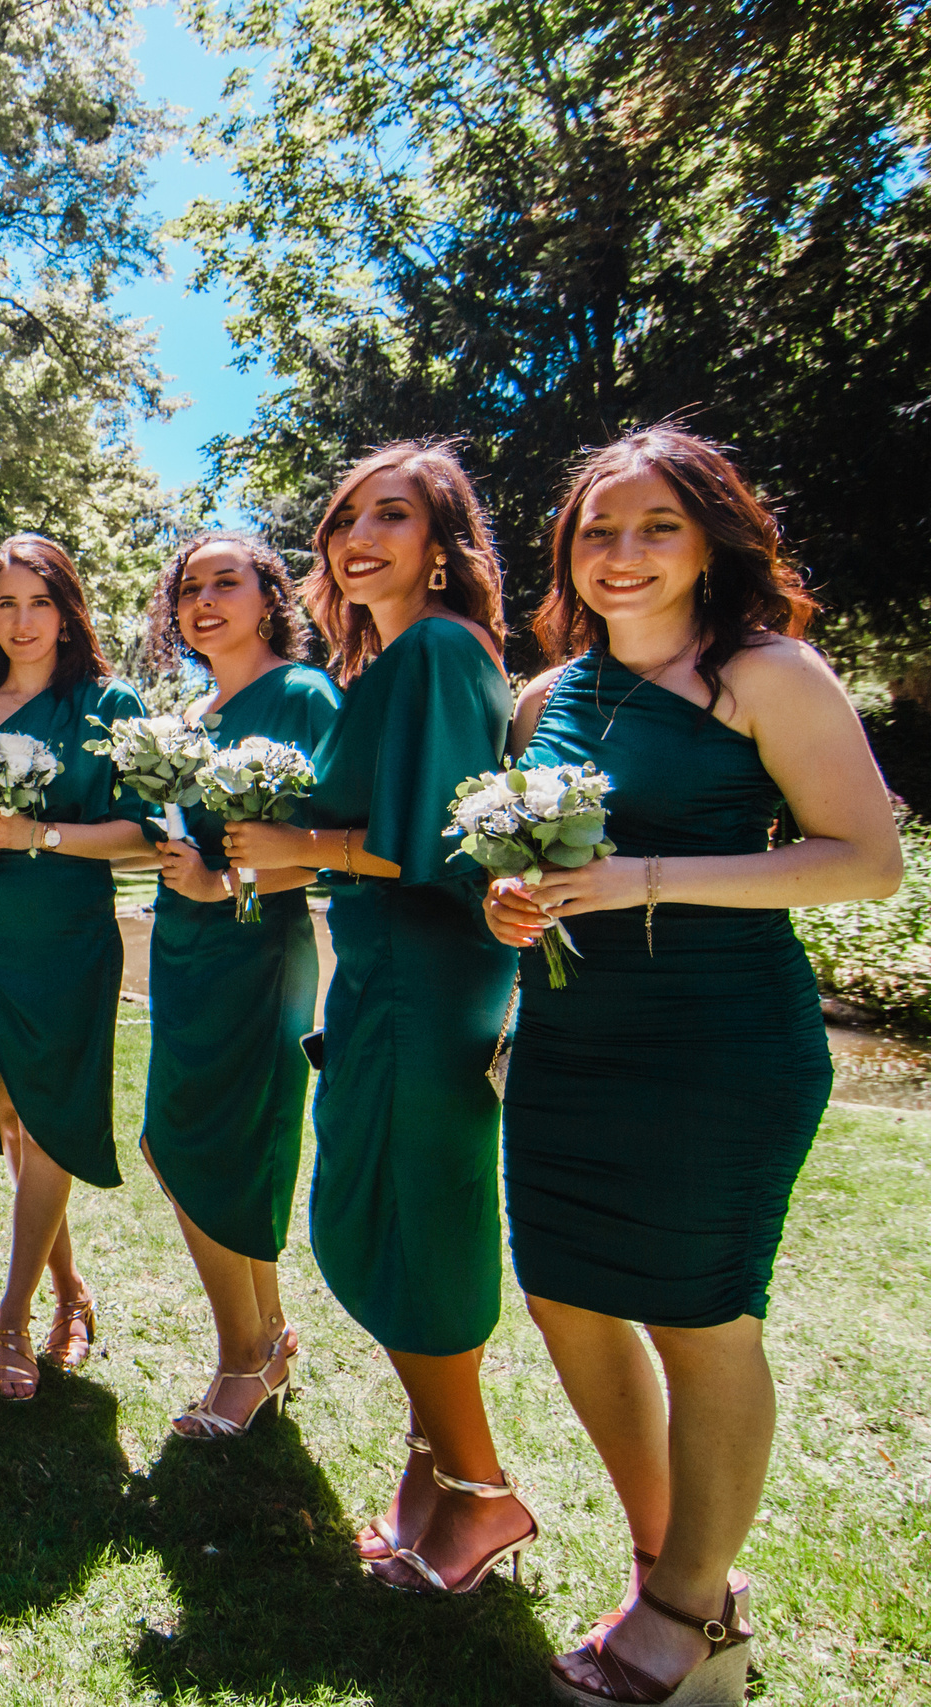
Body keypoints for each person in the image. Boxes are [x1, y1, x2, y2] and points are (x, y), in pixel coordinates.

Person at [484, 427, 900, 1706]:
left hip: (717, 1045)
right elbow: (553, 864)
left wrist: (641, 880)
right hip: (571, 1043)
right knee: (562, 1292)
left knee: (697, 1310)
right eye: (597, 531)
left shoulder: (765, 674)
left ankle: (684, 1621)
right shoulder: (544, 699)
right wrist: (519, 901)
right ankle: (680, 1563)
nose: (622, 556)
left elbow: (862, 860)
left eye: (655, 526)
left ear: (712, 537)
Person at [223, 440, 526, 1593]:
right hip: (380, 971)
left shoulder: (441, 652)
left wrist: (301, 847)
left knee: (410, 1226)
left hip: (422, 975)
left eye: (388, 516)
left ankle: (483, 1495)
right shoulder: (396, 660)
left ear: (441, 547)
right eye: (343, 518)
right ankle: (431, 1478)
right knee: (380, 1217)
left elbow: (420, 845)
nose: (356, 537)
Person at [0, 535, 153, 1400]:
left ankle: (13, 1314)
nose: (20, 622)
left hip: (66, 935)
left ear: (67, 610)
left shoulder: (108, 701)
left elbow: (143, 833)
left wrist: (40, 833)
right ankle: (67, 1289)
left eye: (38, 602)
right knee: (13, 1113)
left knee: (49, 1112)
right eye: (4, 604)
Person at [137, 531, 341, 1437]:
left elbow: (340, 839)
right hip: (184, 949)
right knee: (182, 1144)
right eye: (189, 588)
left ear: (271, 597)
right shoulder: (188, 715)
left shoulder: (301, 695)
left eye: (228, 582)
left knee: (207, 1146)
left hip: (257, 953)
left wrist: (226, 883)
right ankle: (264, 1337)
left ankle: (241, 1362)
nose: (205, 600)